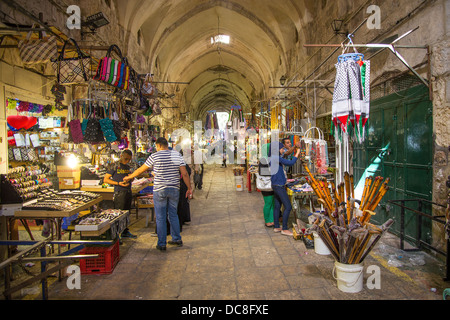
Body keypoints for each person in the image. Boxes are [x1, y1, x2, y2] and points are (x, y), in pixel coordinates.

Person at [123, 137, 193, 251]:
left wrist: (129, 177)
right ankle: (176, 239)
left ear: (159, 145)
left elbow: (141, 170)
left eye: (156, 146)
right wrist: (189, 188)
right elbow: (184, 173)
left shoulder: (155, 156)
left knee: (160, 217)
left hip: (160, 189)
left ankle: (161, 243)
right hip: (174, 189)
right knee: (173, 214)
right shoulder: (176, 155)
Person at [269, 141, 301, 236]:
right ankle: (284, 229)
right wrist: (298, 152)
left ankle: (277, 226)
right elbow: (290, 163)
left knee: (277, 206)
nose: (283, 150)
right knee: (288, 207)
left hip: (275, 184)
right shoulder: (276, 157)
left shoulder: (273, 157)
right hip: (279, 185)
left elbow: (286, 154)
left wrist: (294, 147)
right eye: (282, 148)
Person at [104, 149, 137, 239]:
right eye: (126, 159)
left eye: (129, 159)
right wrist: (118, 183)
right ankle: (117, 235)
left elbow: (131, 177)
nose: (127, 161)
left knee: (126, 213)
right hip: (119, 192)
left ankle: (125, 231)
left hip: (128, 191)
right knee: (119, 213)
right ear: (121, 156)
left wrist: (131, 178)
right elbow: (106, 179)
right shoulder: (114, 166)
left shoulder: (128, 167)